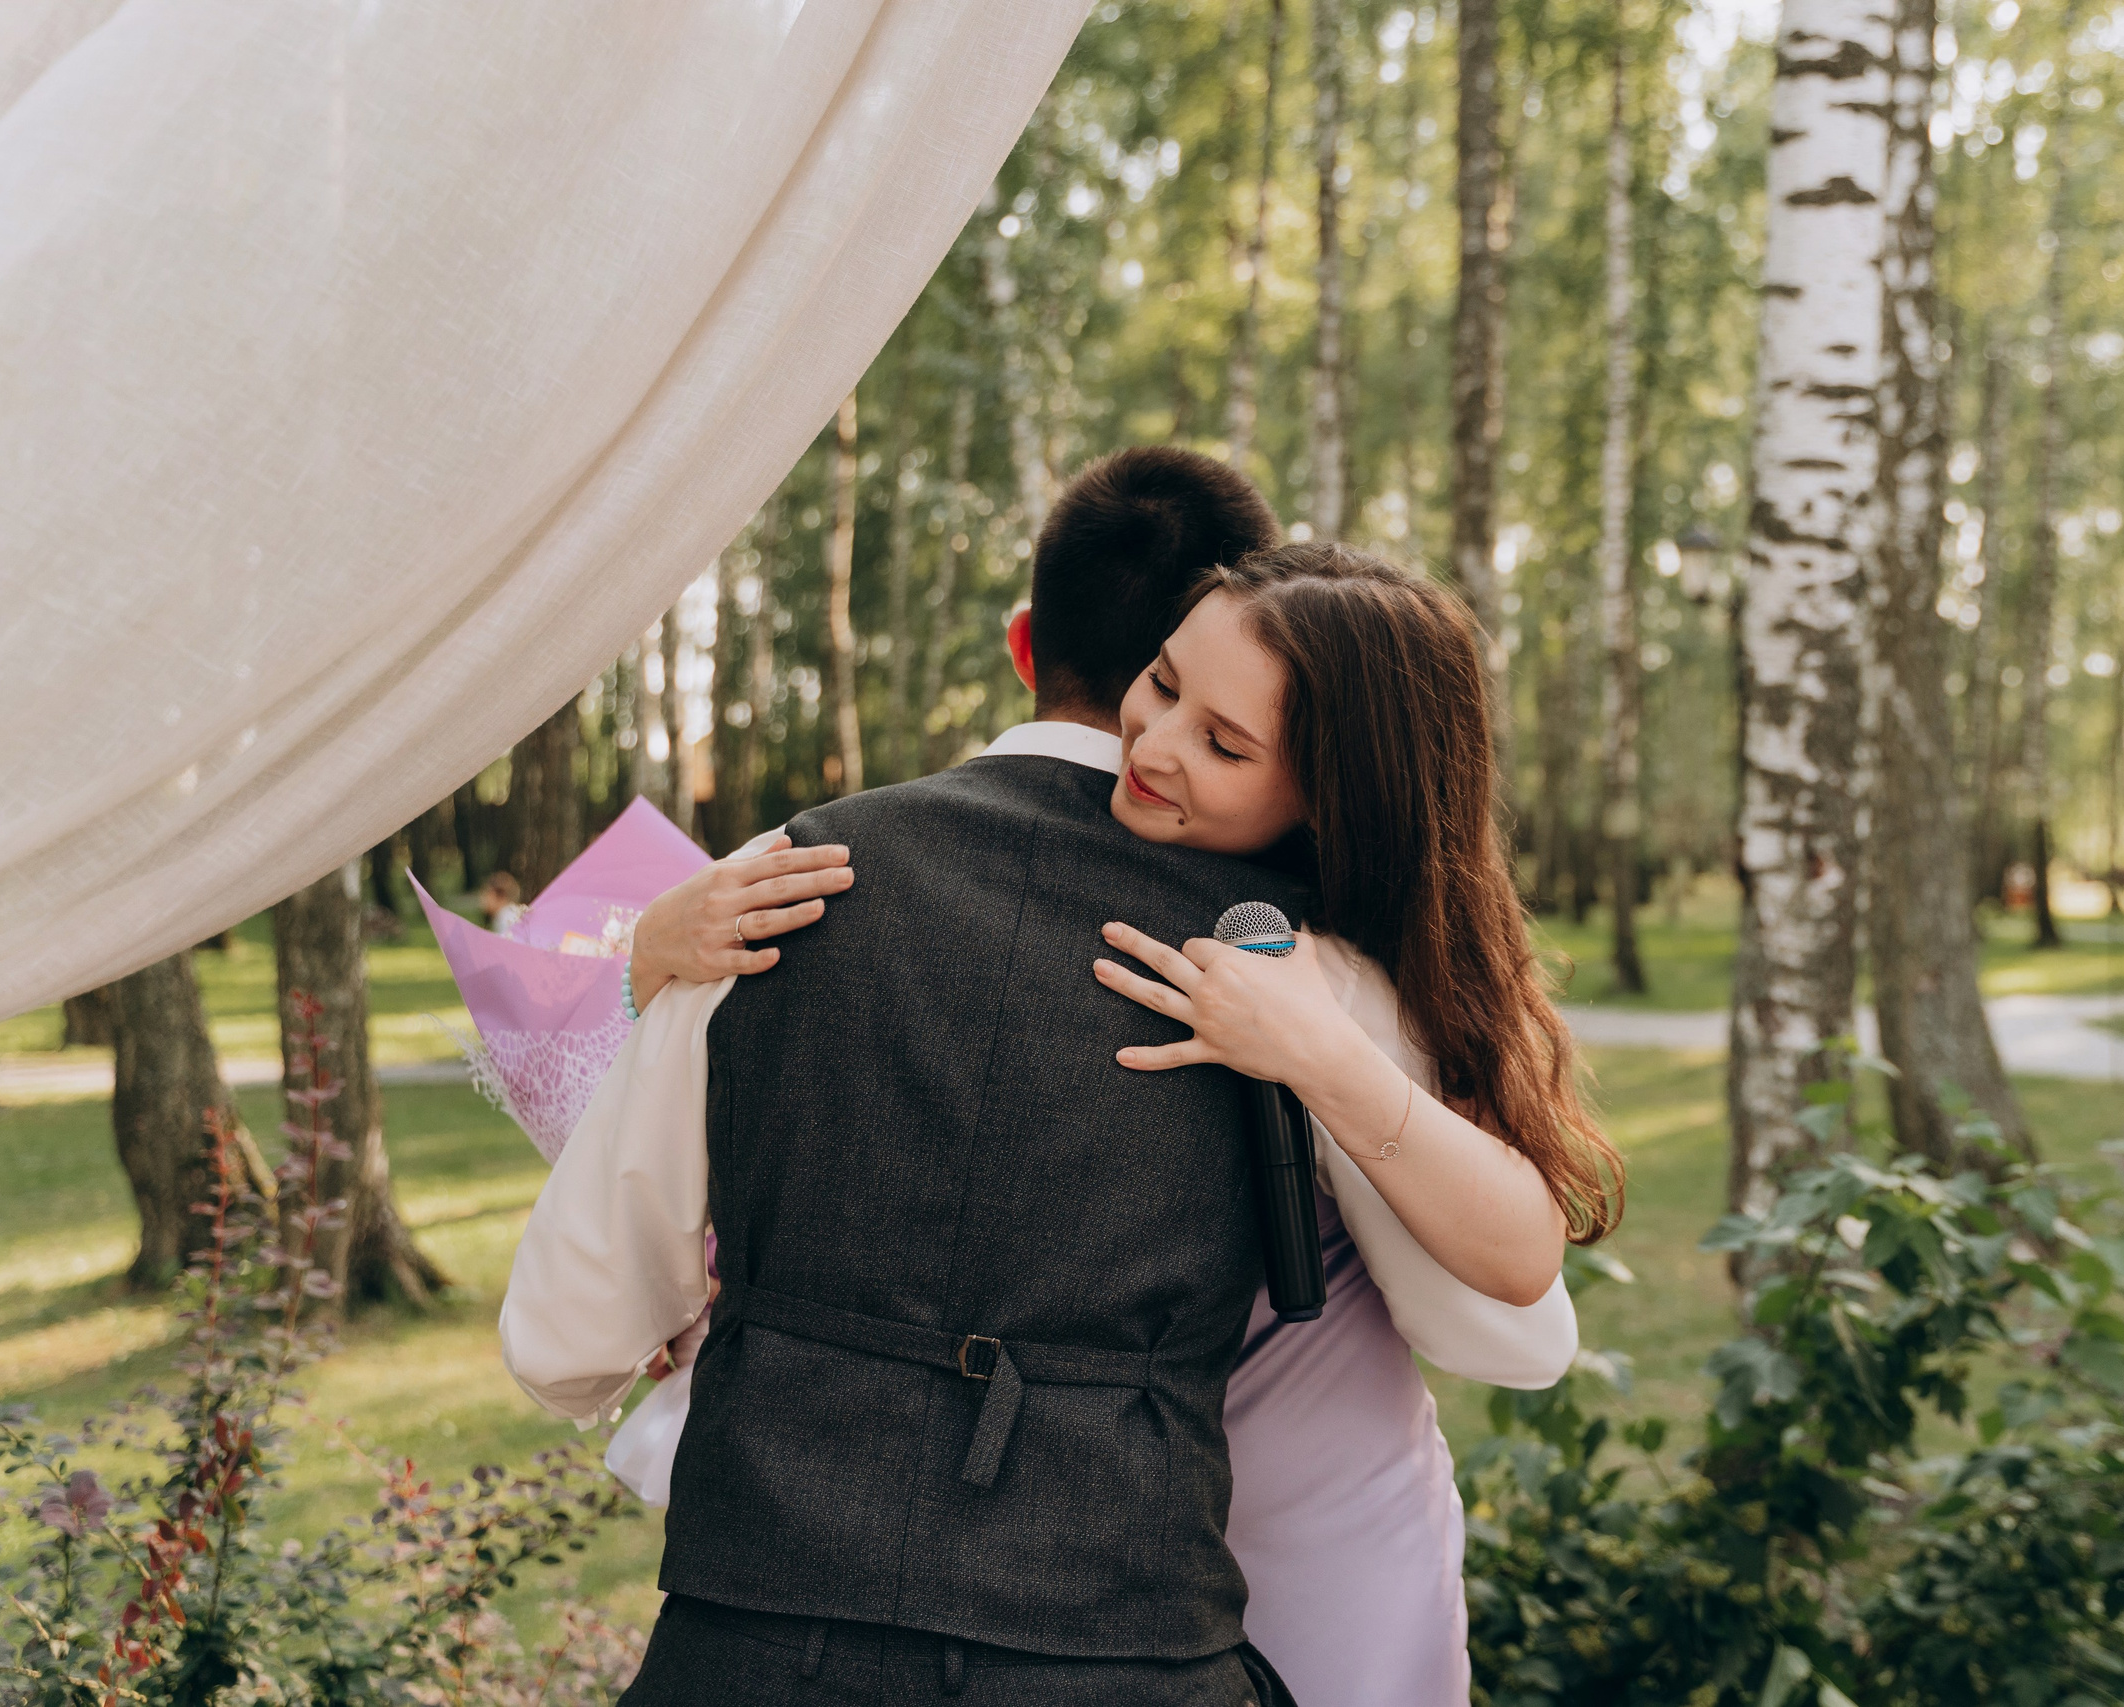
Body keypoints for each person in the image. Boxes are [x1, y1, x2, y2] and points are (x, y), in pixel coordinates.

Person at [500, 449, 1596, 1707]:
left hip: (757, 1631)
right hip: (1121, 1637)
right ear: (1160, 640)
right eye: (1165, 686)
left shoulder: (779, 880)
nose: (1162, 739)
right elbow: (1512, 1336)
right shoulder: (1302, 966)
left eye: (1225, 739)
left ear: (1026, 641)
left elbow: (565, 1334)